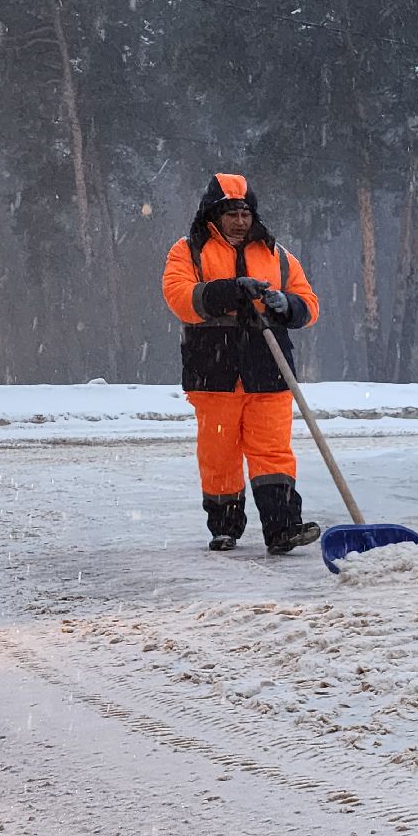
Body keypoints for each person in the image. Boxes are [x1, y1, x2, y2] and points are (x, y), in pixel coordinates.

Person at [162, 173, 322, 554]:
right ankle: (224, 527)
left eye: (245, 213)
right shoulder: (188, 251)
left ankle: (282, 528)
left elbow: (309, 304)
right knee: (220, 455)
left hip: (270, 370)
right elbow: (179, 297)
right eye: (231, 213)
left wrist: (288, 305)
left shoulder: (277, 254)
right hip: (213, 373)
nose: (239, 221)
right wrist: (230, 291)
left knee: (273, 452)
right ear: (213, 215)